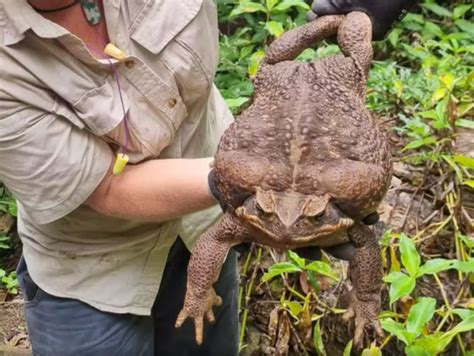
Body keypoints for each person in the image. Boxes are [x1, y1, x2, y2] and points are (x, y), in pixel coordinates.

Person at [0, 0, 417, 355]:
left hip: (208, 219)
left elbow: (363, 238)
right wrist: (240, 187)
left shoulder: (334, 87)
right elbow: (105, 187)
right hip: (93, 269)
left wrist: (365, 293)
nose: (287, 230)